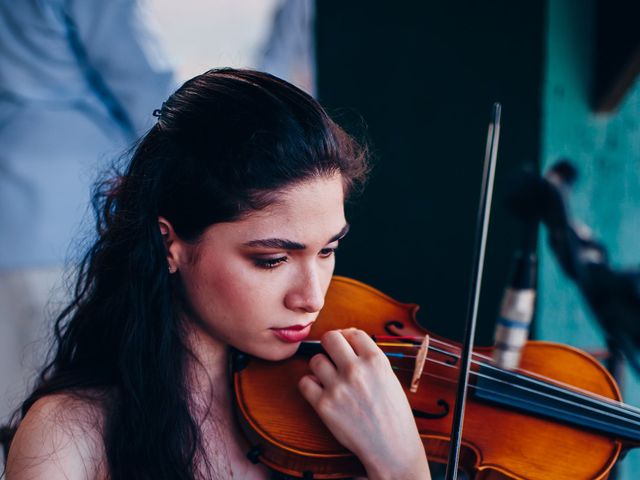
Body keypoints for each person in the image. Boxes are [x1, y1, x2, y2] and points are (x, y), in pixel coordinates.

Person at [4, 69, 431, 480]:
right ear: (169, 242)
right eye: (271, 260)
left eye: (328, 250)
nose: (312, 297)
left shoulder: (348, 421)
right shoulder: (68, 436)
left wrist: (401, 465)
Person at [0, 0, 174, 425]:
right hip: (68, 219)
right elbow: (152, 97)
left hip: (16, 222)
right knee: (67, 418)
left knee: (10, 417)